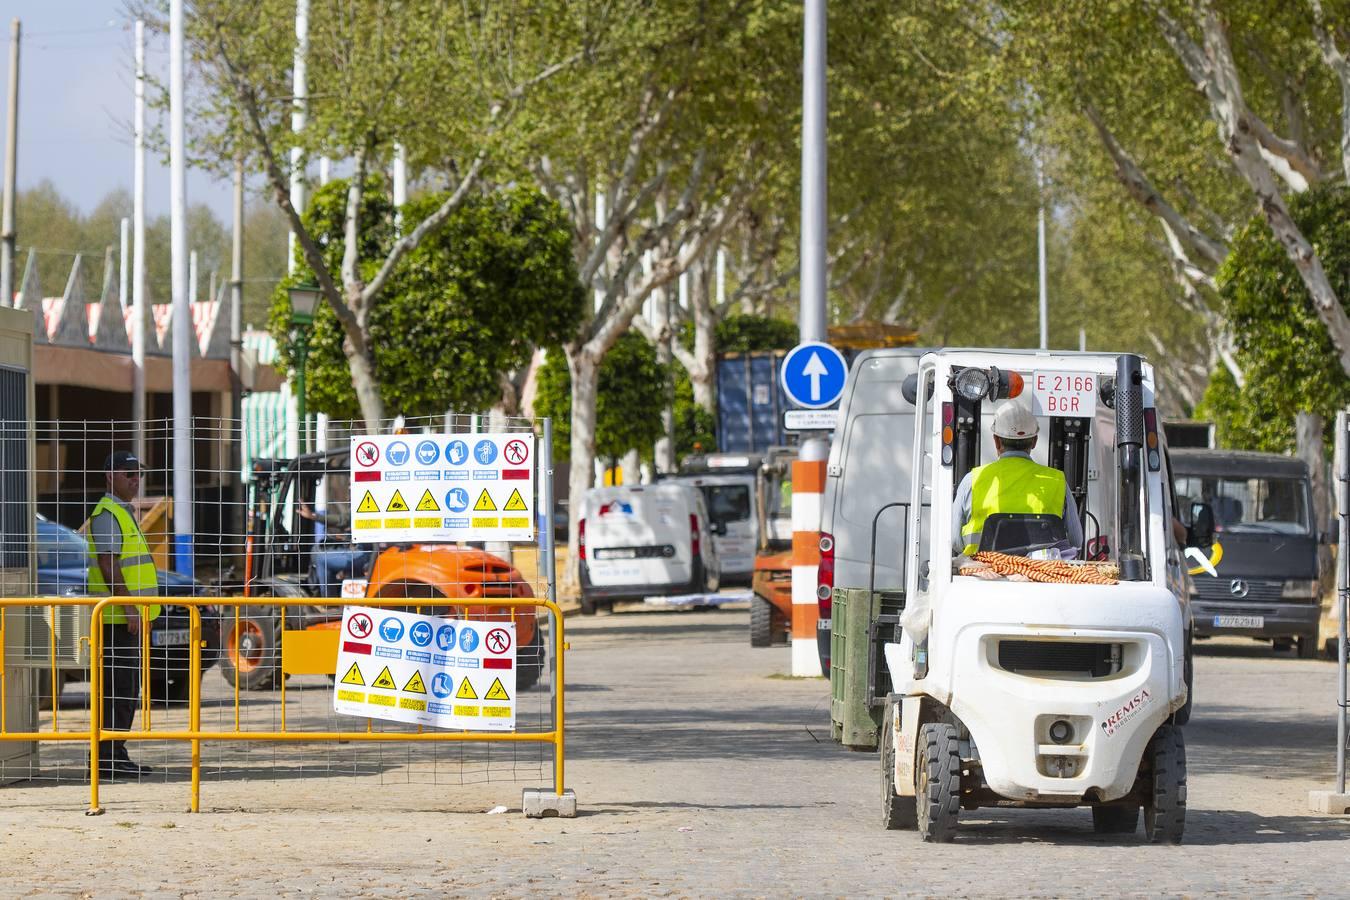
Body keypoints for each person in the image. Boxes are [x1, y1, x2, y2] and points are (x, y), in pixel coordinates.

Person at [85, 451, 161, 777]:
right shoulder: (108, 514)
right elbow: (108, 564)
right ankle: (106, 760)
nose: (135, 479)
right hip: (116, 620)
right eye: (128, 473)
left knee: (126, 691)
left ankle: (114, 755)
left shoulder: (123, 512)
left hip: (126, 618)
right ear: (110, 476)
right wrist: (129, 608)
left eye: (137, 474)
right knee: (119, 691)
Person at [952, 402, 1083, 557]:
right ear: (1034, 441)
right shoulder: (1057, 481)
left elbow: (954, 540)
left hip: (982, 574)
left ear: (997, 441)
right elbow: (1076, 541)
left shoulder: (972, 480)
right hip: (1041, 575)